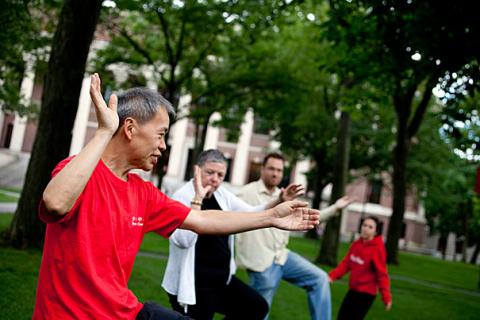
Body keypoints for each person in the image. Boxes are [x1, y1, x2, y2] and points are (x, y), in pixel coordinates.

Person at [33, 74, 321, 320]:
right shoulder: (78, 171)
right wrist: (105, 131)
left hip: (123, 311)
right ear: (130, 128)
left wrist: (270, 217)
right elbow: (55, 203)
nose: (163, 146)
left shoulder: (142, 192)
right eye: (160, 135)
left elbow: (201, 220)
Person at [162, 149, 305, 320]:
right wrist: (197, 200)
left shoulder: (222, 195)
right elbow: (183, 241)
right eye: (210, 172)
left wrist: (279, 200)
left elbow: (252, 213)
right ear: (197, 170)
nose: (215, 179)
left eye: (220, 175)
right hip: (193, 284)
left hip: (220, 281)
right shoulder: (181, 197)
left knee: (256, 307)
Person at [235, 152, 354, 320]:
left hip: (282, 257)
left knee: (319, 279)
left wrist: (336, 207)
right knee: (260, 311)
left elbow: (308, 217)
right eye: (271, 169)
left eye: (279, 170)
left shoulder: (286, 195)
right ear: (262, 169)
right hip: (261, 264)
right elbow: (233, 220)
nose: (275, 173)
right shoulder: (245, 193)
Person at [329, 216, 392, 320]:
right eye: (364, 225)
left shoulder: (378, 249)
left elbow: (382, 275)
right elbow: (346, 264)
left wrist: (386, 297)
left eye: (370, 227)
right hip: (353, 290)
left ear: (375, 232)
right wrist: (331, 276)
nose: (366, 228)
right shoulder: (357, 244)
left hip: (366, 294)